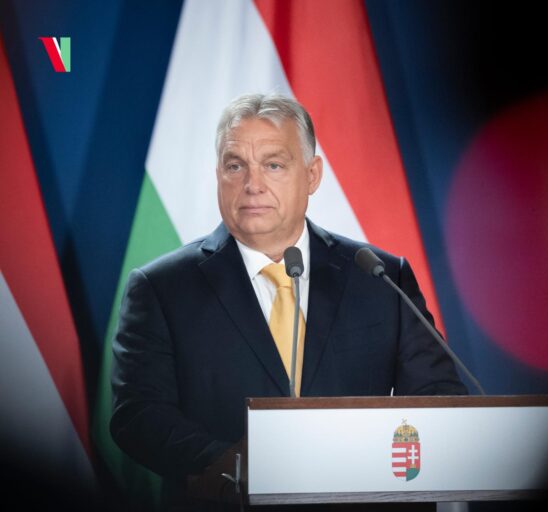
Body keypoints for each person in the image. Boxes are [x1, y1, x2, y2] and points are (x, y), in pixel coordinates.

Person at [110, 93, 467, 500]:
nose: (252, 185)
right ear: (218, 174)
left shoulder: (380, 277)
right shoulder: (161, 288)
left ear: (312, 176)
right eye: (235, 166)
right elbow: (138, 414)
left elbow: (439, 398)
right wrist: (233, 466)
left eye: (273, 165)